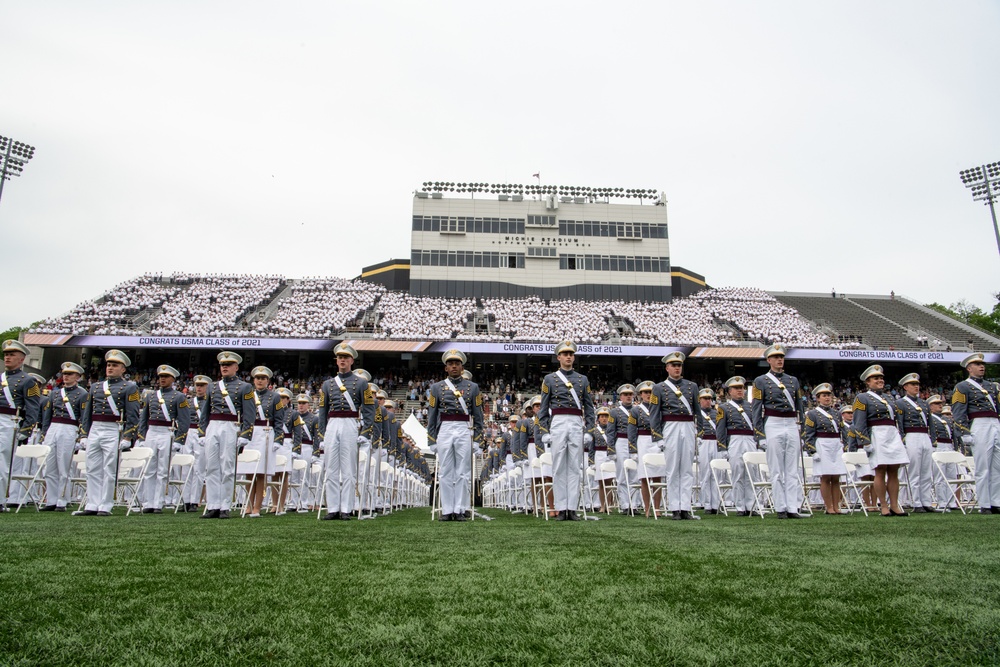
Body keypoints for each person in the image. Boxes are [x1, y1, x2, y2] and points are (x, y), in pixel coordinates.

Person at [78, 350, 140, 517]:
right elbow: (87, 413)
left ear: (123, 369)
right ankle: (92, 503)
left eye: (115, 365)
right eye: (109, 365)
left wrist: (128, 436)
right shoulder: (96, 386)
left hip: (113, 428)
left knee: (109, 468)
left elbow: (132, 414)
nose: (110, 368)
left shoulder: (130, 387)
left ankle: (105, 504)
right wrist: (84, 434)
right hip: (95, 428)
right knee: (92, 468)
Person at [538, 340, 595, 521]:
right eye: (565, 354)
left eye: (571, 354)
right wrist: (544, 430)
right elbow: (543, 407)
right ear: (559, 357)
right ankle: (561, 508)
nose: (568, 356)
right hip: (558, 422)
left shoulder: (582, 379)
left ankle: (572, 507)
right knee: (559, 466)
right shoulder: (550, 379)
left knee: (574, 467)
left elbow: (589, 406)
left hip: (576, 421)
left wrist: (590, 430)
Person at [318, 343, 375, 520]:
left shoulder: (361, 383)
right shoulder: (327, 384)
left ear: (352, 360)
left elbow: (368, 409)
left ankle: (346, 508)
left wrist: (365, 432)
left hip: (350, 422)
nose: (342, 360)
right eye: (340, 358)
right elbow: (322, 410)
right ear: (337, 361)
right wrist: (321, 434)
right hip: (332, 423)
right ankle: (333, 508)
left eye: (346, 358)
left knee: (349, 468)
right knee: (331, 468)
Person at [426, 349, 484, 522]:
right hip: (444, 427)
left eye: (457, 364)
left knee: (463, 472)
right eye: (450, 364)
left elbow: (478, 415)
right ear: (446, 368)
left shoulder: (472, 387)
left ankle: (459, 509)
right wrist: (432, 439)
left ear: (461, 366)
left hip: (463, 427)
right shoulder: (436, 387)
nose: (454, 366)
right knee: (445, 471)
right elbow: (432, 414)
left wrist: (477, 439)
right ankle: (447, 509)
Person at [751, 344, 806, 519]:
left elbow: (800, 407)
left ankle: (792, 507)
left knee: (792, 468)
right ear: (769, 360)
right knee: (776, 469)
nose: (779, 360)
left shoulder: (793, 380)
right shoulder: (760, 381)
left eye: (781, 357)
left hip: (791, 422)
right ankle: (780, 507)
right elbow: (756, 409)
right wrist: (759, 435)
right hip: (773, 422)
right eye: (775, 357)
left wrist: (802, 431)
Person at [199, 351, 255, 519]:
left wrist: (245, 434)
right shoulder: (213, 387)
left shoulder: (245, 387)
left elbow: (249, 413)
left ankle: (225, 506)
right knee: (211, 467)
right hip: (213, 426)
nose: (224, 367)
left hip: (231, 426)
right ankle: (213, 505)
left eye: (228, 365)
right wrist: (202, 432)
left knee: (228, 467)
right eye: (223, 365)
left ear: (236, 367)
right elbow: (205, 411)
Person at [852, 364, 909, 517]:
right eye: (876, 378)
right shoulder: (862, 398)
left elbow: (897, 419)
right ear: (868, 382)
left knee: (893, 471)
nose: (880, 381)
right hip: (877, 434)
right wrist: (865, 441)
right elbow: (859, 421)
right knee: (880, 470)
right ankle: (883, 505)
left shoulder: (889, 397)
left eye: (881, 378)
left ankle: (895, 505)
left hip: (891, 433)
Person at [650, 352, 700, 520]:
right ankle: (674, 508)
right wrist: (657, 436)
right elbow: (654, 414)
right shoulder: (658, 388)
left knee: (686, 469)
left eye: (679, 365)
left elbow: (697, 412)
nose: (677, 368)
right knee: (672, 469)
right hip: (670, 427)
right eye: (673, 365)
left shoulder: (692, 386)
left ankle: (685, 507)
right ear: (667, 368)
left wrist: (699, 432)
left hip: (687, 426)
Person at [950, 352, 1000, 514]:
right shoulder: (962, 386)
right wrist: (964, 432)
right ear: (969, 368)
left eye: (982, 364)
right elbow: (958, 412)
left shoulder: (993, 386)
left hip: (995, 423)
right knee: (983, 466)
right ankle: (985, 503)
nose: (982, 367)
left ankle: (996, 501)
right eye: (978, 364)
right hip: (979, 425)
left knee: (997, 466)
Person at [137, 365, 190, 514]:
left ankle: (158, 502)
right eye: (161, 376)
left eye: (166, 376)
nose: (162, 379)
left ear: (173, 379)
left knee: (162, 470)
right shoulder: (151, 396)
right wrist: (142, 436)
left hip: (167, 432)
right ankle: (147, 502)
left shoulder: (179, 396)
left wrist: (180, 439)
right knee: (149, 469)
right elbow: (144, 418)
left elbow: (184, 420)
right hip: (152, 432)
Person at [40, 362, 89, 512]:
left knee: (64, 466)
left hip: (69, 428)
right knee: (50, 467)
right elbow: (47, 416)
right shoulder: (55, 393)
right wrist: (44, 432)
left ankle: (62, 499)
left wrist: (81, 435)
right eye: (64, 374)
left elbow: (84, 417)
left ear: (78, 377)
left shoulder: (82, 394)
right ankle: (51, 500)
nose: (66, 377)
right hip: (53, 428)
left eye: (70, 374)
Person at [0, 340, 41, 512]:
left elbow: (33, 408)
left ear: (22, 359)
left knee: (1, 462)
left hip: (10, 422)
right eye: (6, 354)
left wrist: (26, 430)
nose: (8, 358)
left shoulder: (28, 381)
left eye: (12, 355)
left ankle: (1, 500)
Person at [896, 373, 938, 513]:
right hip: (911, 435)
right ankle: (916, 501)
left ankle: (926, 501)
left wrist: (932, 438)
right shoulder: (901, 403)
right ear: (906, 387)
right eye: (913, 385)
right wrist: (903, 440)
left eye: (917, 384)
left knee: (926, 471)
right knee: (914, 471)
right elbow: (899, 423)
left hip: (924, 435)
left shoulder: (924, 403)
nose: (916, 387)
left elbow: (930, 422)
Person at [803, 383, 847, 515]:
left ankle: (836, 505)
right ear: (818, 398)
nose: (827, 398)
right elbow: (808, 434)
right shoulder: (812, 414)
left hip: (835, 445)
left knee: (836, 478)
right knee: (826, 477)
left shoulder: (837, 413)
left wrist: (844, 445)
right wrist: (812, 450)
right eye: (824, 396)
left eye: (829, 395)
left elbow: (842, 430)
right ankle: (829, 506)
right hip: (822, 444)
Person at [716, 376, 756, 516]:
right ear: (729, 391)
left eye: (741, 388)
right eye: (736, 388)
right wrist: (722, 447)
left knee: (752, 473)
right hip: (734, 440)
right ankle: (740, 506)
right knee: (738, 473)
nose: (740, 391)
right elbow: (720, 429)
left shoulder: (751, 407)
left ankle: (751, 505)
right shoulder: (724, 407)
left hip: (750, 439)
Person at [181, 375, 211, 513]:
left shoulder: (209, 402)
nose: (199, 388)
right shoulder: (188, 401)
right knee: (186, 468)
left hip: (202, 434)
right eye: (197, 385)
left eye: (202, 386)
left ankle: (194, 500)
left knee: (199, 468)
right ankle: (185, 500)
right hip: (188, 432)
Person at [927, 395, 959, 511]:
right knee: (939, 476)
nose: (940, 405)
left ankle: (951, 502)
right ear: (930, 407)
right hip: (938, 446)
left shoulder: (947, 419)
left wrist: (955, 447)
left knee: (951, 475)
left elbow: (954, 435)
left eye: (940, 403)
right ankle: (942, 502)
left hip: (949, 447)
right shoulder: (930, 418)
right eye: (936, 404)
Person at [611, 384, 638, 515]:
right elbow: (611, 432)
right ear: (620, 396)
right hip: (621, 441)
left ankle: (635, 504)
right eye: (626, 395)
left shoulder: (637, 410)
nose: (628, 397)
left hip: (634, 442)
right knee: (622, 474)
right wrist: (611, 450)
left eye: (630, 394)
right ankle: (624, 504)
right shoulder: (615, 412)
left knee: (635, 474)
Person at [841, 404, 874, 510]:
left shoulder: (871, 426)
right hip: (860, 451)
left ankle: (874, 503)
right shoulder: (853, 427)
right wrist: (852, 456)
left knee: (874, 478)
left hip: (872, 451)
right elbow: (851, 444)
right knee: (865, 478)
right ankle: (867, 503)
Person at [695, 387, 721, 515]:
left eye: (709, 399)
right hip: (703, 442)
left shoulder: (717, 413)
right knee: (705, 474)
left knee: (716, 474)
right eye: (705, 399)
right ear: (699, 400)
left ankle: (716, 504)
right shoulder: (697, 413)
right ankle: (707, 504)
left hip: (715, 442)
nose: (707, 401)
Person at [292, 393, 319, 512]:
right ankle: (293, 502)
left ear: (308, 405)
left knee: (304, 476)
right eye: (299, 403)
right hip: (294, 447)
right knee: (293, 477)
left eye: (303, 403)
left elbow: (317, 437)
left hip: (307, 447)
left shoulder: (314, 419)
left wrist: (315, 452)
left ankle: (303, 502)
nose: (301, 406)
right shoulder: (293, 416)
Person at [593, 406, 615, 513]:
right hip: (599, 455)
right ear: (598, 418)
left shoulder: (612, 429)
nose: (604, 419)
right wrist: (591, 461)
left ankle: (609, 505)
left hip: (609, 455)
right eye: (602, 416)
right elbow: (591, 448)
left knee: (609, 482)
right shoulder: (594, 430)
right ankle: (602, 505)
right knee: (601, 483)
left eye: (606, 416)